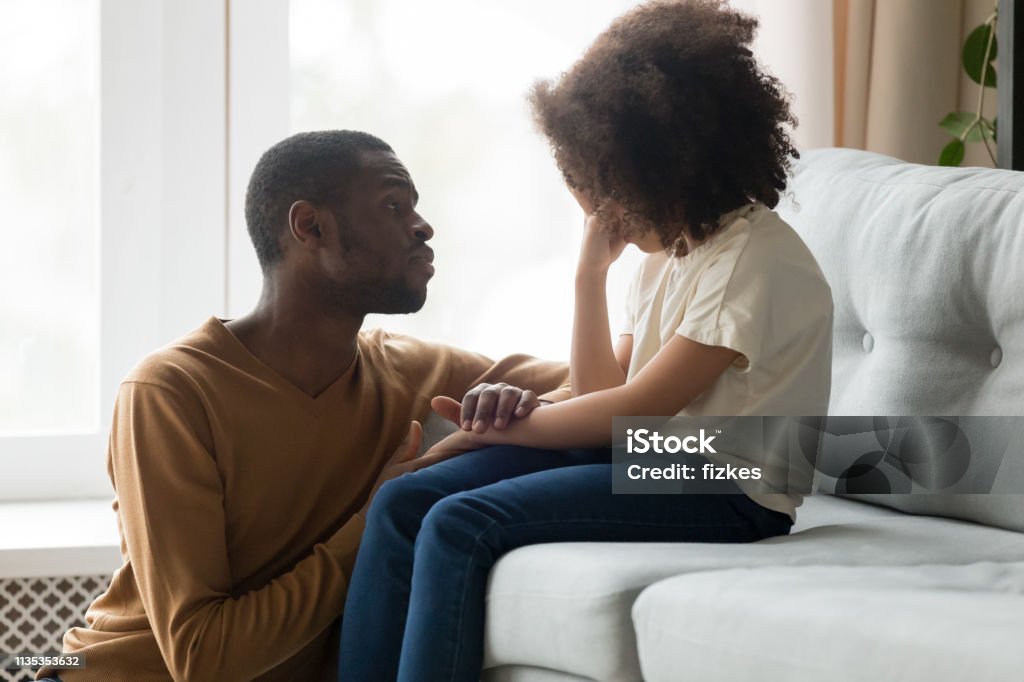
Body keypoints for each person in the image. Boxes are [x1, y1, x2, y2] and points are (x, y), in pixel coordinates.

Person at [335, 1, 834, 680]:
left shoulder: (754, 261)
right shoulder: (671, 256)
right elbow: (606, 397)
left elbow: (640, 414)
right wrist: (589, 277)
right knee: (402, 505)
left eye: (608, 193)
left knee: (461, 524)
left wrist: (510, 429)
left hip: (728, 483)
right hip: (650, 459)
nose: (601, 215)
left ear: (666, 169)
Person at [36, 130, 569, 682]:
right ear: (310, 226)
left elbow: (611, 392)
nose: (423, 226)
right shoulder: (171, 392)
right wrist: (377, 516)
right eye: (394, 205)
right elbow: (204, 660)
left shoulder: (415, 372)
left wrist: (524, 407)